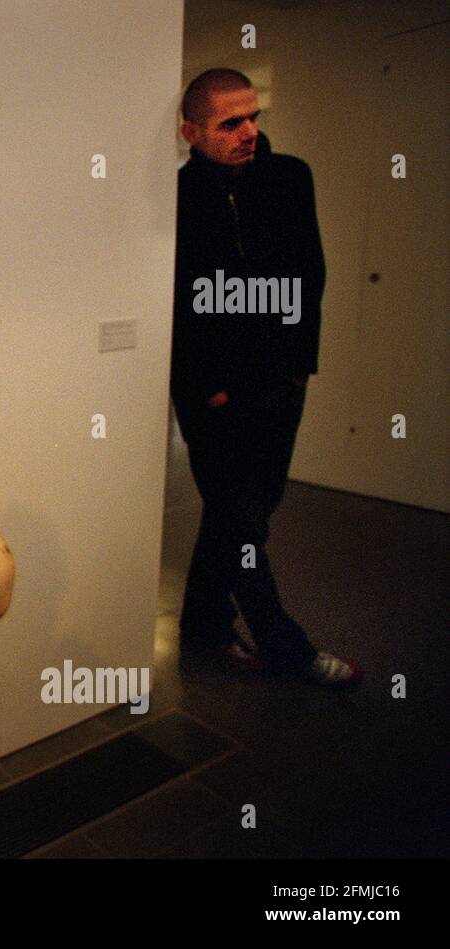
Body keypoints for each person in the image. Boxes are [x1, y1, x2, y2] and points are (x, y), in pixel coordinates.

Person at [170, 68, 362, 686]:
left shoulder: (289, 178)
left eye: (253, 117)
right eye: (230, 123)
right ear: (190, 132)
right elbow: (175, 301)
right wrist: (206, 386)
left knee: (246, 512)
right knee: (241, 518)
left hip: (280, 385)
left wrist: (298, 368)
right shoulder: (177, 196)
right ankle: (287, 648)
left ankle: (200, 625)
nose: (249, 131)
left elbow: (312, 277)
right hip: (216, 397)